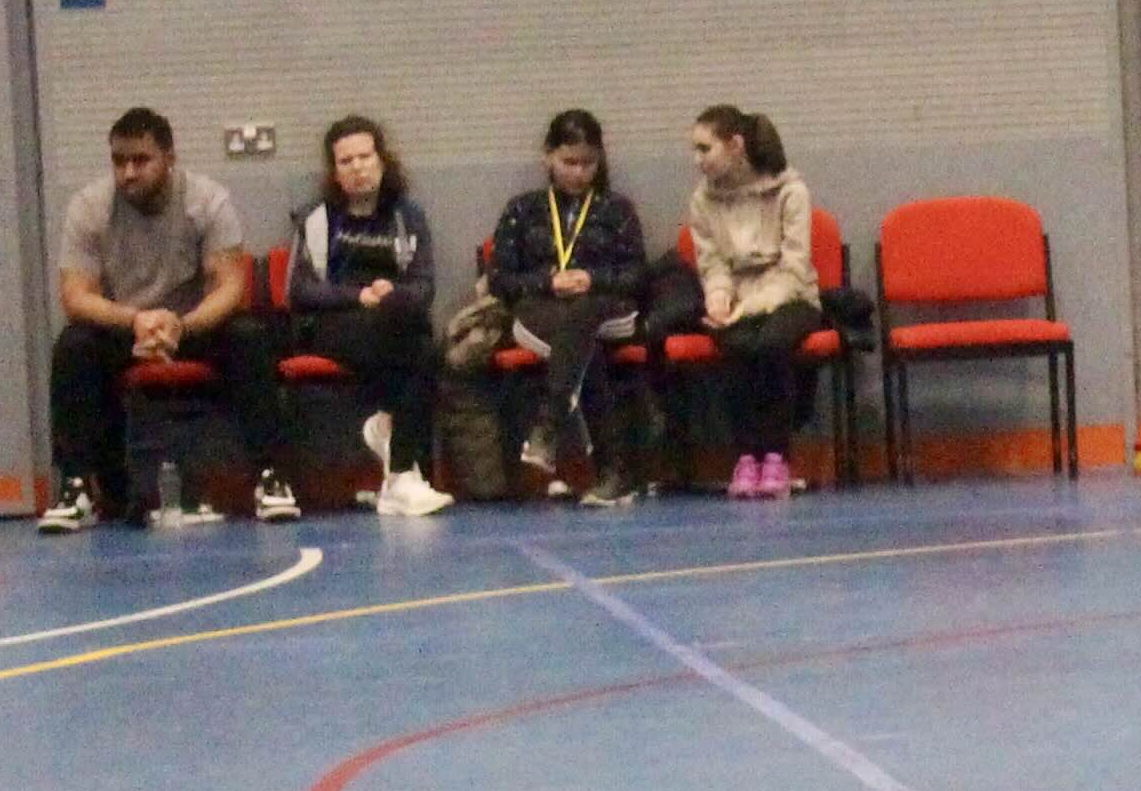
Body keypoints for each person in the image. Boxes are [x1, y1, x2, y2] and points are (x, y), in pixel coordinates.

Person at [39, 106, 262, 533]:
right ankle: (76, 486)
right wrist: (136, 320)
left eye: (140, 160)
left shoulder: (207, 200)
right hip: (126, 329)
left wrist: (182, 326)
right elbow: (75, 296)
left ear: (169, 158)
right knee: (75, 346)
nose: (128, 173)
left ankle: (271, 477)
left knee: (248, 335)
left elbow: (232, 287)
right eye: (119, 161)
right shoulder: (89, 207)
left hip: (193, 325)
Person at [645, 103, 823, 499]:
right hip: (738, 301)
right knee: (737, 345)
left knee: (771, 343)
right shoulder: (702, 202)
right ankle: (745, 456)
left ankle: (776, 455)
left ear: (736, 145)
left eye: (704, 149)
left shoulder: (791, 192)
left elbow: (795, 267)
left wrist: (754, 305)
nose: (697, 159)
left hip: (791, 297)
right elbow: (713, 264)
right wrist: (720, 299)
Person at [482, 106, 652, 509]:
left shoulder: (617, 210)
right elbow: (500, 279)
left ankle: (548, 425)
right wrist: (547, 282)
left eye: (588, 163)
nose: (579, 172)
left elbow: (637, 276)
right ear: (549, 157)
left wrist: (593, 280)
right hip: (541, 312)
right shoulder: (523, 210)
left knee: (582, 319)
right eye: (569, 162)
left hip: (608, 310)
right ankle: (614, 472)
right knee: (580, 345)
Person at [284, 114, 449, 517]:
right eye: (346, 161)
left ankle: (398, 471)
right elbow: (299, 290)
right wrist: (359, 296)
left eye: (365, 156)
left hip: (394, 320)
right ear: (334, 171)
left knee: (425, 348)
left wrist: (391, 294)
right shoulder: (317, 219)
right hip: (334, 324)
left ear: (382, 159)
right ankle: (400, 471)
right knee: (418, 349)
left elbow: (424, 286)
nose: (358, 167)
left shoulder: (406, 215)